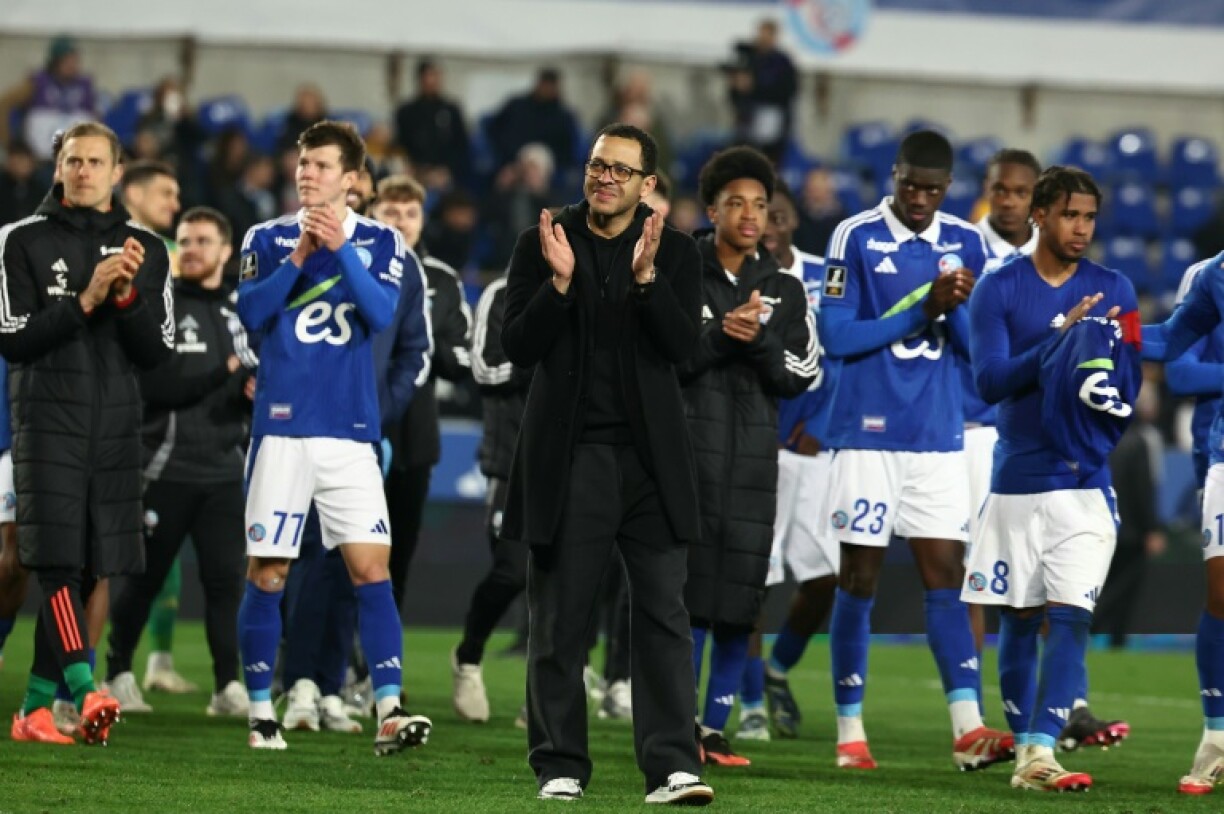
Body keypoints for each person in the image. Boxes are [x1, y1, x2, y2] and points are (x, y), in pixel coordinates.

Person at [501, 122, 713, 804]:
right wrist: (559, 286)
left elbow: (684, 350)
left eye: (621, 170)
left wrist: (648, 281)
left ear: (648, 184)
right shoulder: (544, 240)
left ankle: (674, 765)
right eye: (598, 166)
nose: (605, 178)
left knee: (662, 618)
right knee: (560, 621)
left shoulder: (675, 252)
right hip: (571, 460)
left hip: (652, 465)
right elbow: (517, 346)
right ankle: (559, 764)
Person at [234, 119, 429, 754]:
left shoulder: (385, 244)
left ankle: (390, 709)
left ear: (351, 179)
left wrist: (340, 247)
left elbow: (378, 316)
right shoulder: (264, 237)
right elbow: (253, 314)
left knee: (372, 570)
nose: (306, 173)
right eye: (303, 163)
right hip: (283, 430)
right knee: (269, 572)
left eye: (320, 165)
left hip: (350, 434)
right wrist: (299, 257)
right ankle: (263, 710)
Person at [819, 130, 1012, 772]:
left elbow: (976, 347)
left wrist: (954, 311)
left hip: (937, 435)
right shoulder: (855, 236)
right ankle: (850, 729)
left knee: (947, 577)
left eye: (932, 189)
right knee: (859, 578)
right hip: (868, 434)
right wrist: (922, 307)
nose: (920, 199)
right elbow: (838, 337)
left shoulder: (967, 241)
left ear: (948, 187)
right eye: (911, 186)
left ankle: (967, 727)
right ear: (894, 176)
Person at [965, 165, 1141, 792]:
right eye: (1070, 214)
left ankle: (1039, 752)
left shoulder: (1116, 287)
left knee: (1070, 618)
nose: (1082, 228)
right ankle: (1026, 752)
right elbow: (987, 381)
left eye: (1090, 217)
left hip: (1085, 484)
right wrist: (1056, 344)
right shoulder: (999, 289)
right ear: (1039, 214)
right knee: (1018, 620)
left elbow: (1129, 377)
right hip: (1017, 479)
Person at [1, 121, 174, 744]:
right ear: (58, 168)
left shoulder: (146, 248)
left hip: (116, 426)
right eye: (73, 160)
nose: (83, 171)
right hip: (47, 420)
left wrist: (124, 299)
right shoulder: (18, 241)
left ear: (117, 171)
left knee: (97, 564)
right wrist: (87, 297)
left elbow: (158, 355)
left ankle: (34, 709)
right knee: (54, 558)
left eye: (96, 161)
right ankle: (85, 684)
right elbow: (13, 338)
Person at [678, 149, 817, 767]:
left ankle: (713, 729)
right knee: (683, 603)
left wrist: (757, 339)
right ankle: (676, 725)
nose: (750, 215)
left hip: (756, 468)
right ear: (712, 210)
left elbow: (802, 374)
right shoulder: (680, 271)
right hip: (686, 460)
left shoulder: (784, 291)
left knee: (739, 602)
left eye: (759, 205)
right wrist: (716, 335)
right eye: (735, 202)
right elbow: (665, 356)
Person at [102, 206, 251, 716]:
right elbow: (158, 388)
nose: (190, 250)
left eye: (203, 241)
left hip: (226, 469)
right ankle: (118, 672)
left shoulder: (242, 310)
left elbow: (246, 381)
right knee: (143, 578)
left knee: (226, 583)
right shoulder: (163, 304)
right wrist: (227, 371)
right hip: (166, 465)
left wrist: (249, 389)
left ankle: (227, 687)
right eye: (184, 240)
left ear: (226, 250)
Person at [737, 182, 835, 743]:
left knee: (828, 579)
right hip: (758, 446)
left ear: (793, 219)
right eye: (754, 212)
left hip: (816, 451)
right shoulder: (737, 277)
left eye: (775, 212)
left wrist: (822, 428)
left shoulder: (827, 274)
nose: (766, 222)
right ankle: (750, 703)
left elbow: (842, 353)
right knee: (752, 580)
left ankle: (776, 671)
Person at [1141, 249, 1224, 794]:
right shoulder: (1212, 274)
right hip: (1221, 448)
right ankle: (1215, 739)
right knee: (1221, 594)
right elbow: (1174, 353)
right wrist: (1112, 323)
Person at [366, 175, 470, 611]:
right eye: (391, 212)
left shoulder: (442, 281)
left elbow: (462, 361)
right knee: (344, 550)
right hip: (357, 428)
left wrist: (419, 333)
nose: (401, 221)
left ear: (423, 220)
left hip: (415, 436)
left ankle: (377, 667)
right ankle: (327, 663)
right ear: (373, 214)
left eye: (410, 213)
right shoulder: (353, 267)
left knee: (399, 553)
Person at [451, 269, 533, 723]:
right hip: (512, 462)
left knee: (572, 580)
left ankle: (548, 695)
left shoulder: (594, 287)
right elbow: (482, 366)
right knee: (510, 572)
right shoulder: (505, 292)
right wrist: (537, 355)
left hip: (576, 462)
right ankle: (468, 657)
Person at [0, 36, 98, 160]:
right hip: (40, 158)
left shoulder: (84, 86)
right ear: (55, 62)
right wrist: (7, 143)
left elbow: (94, 118)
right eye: (67, 61)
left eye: (75, 61)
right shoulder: (36, 84)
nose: (72, 66)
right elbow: (4, 104)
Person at [726, 19, 797, 163]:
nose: (763, 39)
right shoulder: (749, 58)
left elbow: (787, 91)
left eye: (767, 35)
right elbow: (735, 94)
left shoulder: (782, 62)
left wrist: (754, 86)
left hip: (773, 123)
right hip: (747, 121)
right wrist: (737, 86)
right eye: (761, 34)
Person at [394, 59, 471, 190]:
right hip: (415, 171)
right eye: (428, 76)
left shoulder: (451, 110)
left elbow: (461, 145)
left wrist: (447, 170)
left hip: (444, 173)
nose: (432, 81)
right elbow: (400, 144)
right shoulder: (406, 111)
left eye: (435, 76)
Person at [487, 68, 579, 177]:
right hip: (513, 158)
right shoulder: (516, 106)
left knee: (534, 176)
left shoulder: (563, 116)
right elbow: (496, 130)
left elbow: (566, 148)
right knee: (506, 177)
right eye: (545, 85)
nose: (547, 90)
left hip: (545, 163)